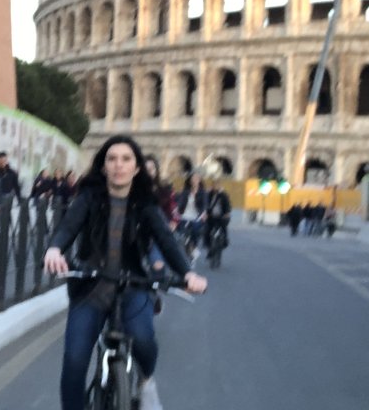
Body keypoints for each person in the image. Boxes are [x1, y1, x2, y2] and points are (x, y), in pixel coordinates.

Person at [43, 135, 207, 410]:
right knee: (74, 362)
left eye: (126, 159)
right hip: (90, 289)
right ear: (104, 166)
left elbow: (166, 239)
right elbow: (68, 227)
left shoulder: (146, 204)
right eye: (112, 159)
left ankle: (146, 381)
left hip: (133, 286)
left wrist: (187, 273)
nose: (119, 165)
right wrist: (55, 249)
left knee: (144, 341)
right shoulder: (88, 198)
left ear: (137, 168)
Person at [174, 172, 207, 248]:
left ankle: (193, 246)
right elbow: (180, 201)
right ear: (190, 181)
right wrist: (176, 209)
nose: (194, 180)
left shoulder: (203, 192)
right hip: (184, 215)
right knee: (180, 232)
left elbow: (204, 204)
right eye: (193, 179)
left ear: (199, 180)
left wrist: (203, 212)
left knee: (195, 230)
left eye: (196, 179)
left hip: (196, 216)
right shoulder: (185, 191)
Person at [205, 177, 231, 249]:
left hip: (222, 216)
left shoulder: (224, 195)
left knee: (224, 227)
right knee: (207, 229)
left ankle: (225, 240)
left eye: (217, 185)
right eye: (214, 185)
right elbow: (205, 204)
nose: (215, 187)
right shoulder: (209, 194)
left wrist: (227, 213)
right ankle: (208, 245)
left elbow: (227, 205)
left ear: (219, 186)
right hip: (211, 216)